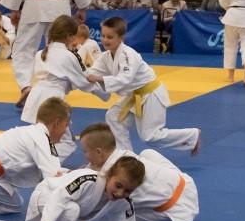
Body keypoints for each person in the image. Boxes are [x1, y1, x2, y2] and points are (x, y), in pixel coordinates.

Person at [85, 15, 200, 154]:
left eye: (110, 37)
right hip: (134, 95)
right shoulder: (106, 57)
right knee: (114, 117)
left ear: (121, 37)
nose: (105, 40)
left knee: (150, 136)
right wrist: (73, 74)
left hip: (151, 93)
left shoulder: (128, 54)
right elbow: (90, 73)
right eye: (103, 36)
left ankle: (191, 135)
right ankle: (125, 156)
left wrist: (99, 79)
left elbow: (125, 79)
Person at [83, 123, 198, 221]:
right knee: (147, 153)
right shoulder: (122, 155)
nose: (85, 156)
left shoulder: (114, 179)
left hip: (176, 210)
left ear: (98, 152)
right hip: (184, 183)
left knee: (115, 209)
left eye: (85, 152)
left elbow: (90, 206)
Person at [19, 16, 102, 150]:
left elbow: (66, 78)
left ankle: (41, 159)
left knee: (43, 139)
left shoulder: (40, 53)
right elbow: (83, 82)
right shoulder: (68, 56)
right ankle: (46, 162)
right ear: (69, 36)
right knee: (65, 143)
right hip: (52, 101)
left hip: (36, 97)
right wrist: (105, 92)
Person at [26, 154, 145, 221]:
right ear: (109, 175)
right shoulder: (88, 180)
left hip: (66, 218)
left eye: (128, 191)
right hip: (45, 202)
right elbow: (58, 197)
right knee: (72, 210)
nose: (120, 193)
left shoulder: (124, 201)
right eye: (118, 185)